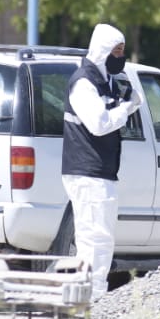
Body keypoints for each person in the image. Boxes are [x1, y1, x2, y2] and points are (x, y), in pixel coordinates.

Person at [61, 23, 143, 299]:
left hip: (100, 171)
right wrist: (127, 108)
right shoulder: (84, 82)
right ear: (102, 50)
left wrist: (126, 99)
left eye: (122, 50)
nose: (120, 57)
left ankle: (90, 293)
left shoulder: (105, 80)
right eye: (116, 51)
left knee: (98, 236)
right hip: (88, 171)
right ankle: (92, 296)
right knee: (95, 237)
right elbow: (99, 124)